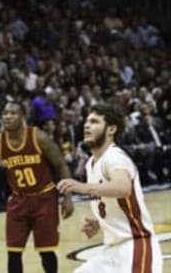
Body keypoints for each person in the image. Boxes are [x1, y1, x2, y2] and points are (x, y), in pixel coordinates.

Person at [0, 101, 74, 273]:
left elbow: (61, 165)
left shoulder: (39, 137)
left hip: (44, 199)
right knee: (13, 252)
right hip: (18, 200)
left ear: (22, 117)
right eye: (5, 113)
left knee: (46, 252)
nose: (8, 116)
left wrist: (67, 197)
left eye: (13, 113)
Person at [57, 104, 162, 273]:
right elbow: (116, 200)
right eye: (86, 122)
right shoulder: (91, 163)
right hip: (112, 250)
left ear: (111, 129)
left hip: (136, 245)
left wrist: (84, 187)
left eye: (94, 121)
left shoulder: (114, 157)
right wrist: (102, 222)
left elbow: (122, 188)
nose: (86, 125)